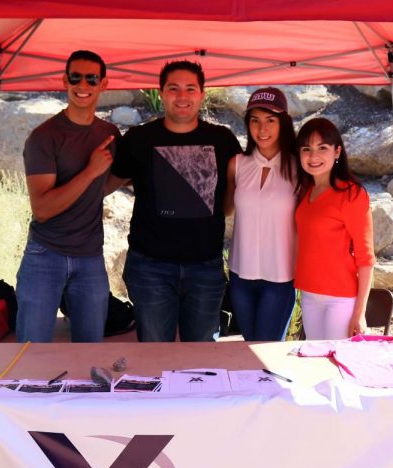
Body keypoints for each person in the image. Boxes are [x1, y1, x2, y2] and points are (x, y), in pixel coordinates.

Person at [110, 60, 241, 342]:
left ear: (202, 94)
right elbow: (106, 185)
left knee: (202, 359)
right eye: (174, 88)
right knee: (155, 355)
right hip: (150, 268)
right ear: (161, 92)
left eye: (190, 89)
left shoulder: (223, 140)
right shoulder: (138, 139)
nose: (182, 96)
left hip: (205, 268)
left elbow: (228, 205)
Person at [16, 50, 119, 343]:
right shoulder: (44, 137)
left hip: (90, 257)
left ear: (104, 84)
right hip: (45, 254)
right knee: (31, 351)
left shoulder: (110, 134)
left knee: (90, 350)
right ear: (64, 80)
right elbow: (43, 209)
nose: (82, 84)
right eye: (75, 77)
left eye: (91, 78)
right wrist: (90, 171)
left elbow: (102, 186)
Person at [224, 87, 298, 341]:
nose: (262, 129)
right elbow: (225, 210)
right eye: (255, 120)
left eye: (270, 120)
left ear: (283, 123)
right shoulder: (237, 164)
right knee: (249, 348)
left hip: (280, 276)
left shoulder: (299, 167)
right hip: (240, 275)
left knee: (266, 351)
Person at [294, 118, 374, 340]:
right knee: (315, 362)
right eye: (306, 149)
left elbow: (366, 259)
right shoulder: (304, 191)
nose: (313, 156)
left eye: (322, 148)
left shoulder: (352, 195)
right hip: (309, 295)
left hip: (340, 299)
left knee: (335, 366)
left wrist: (360, 313)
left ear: (337, 152)